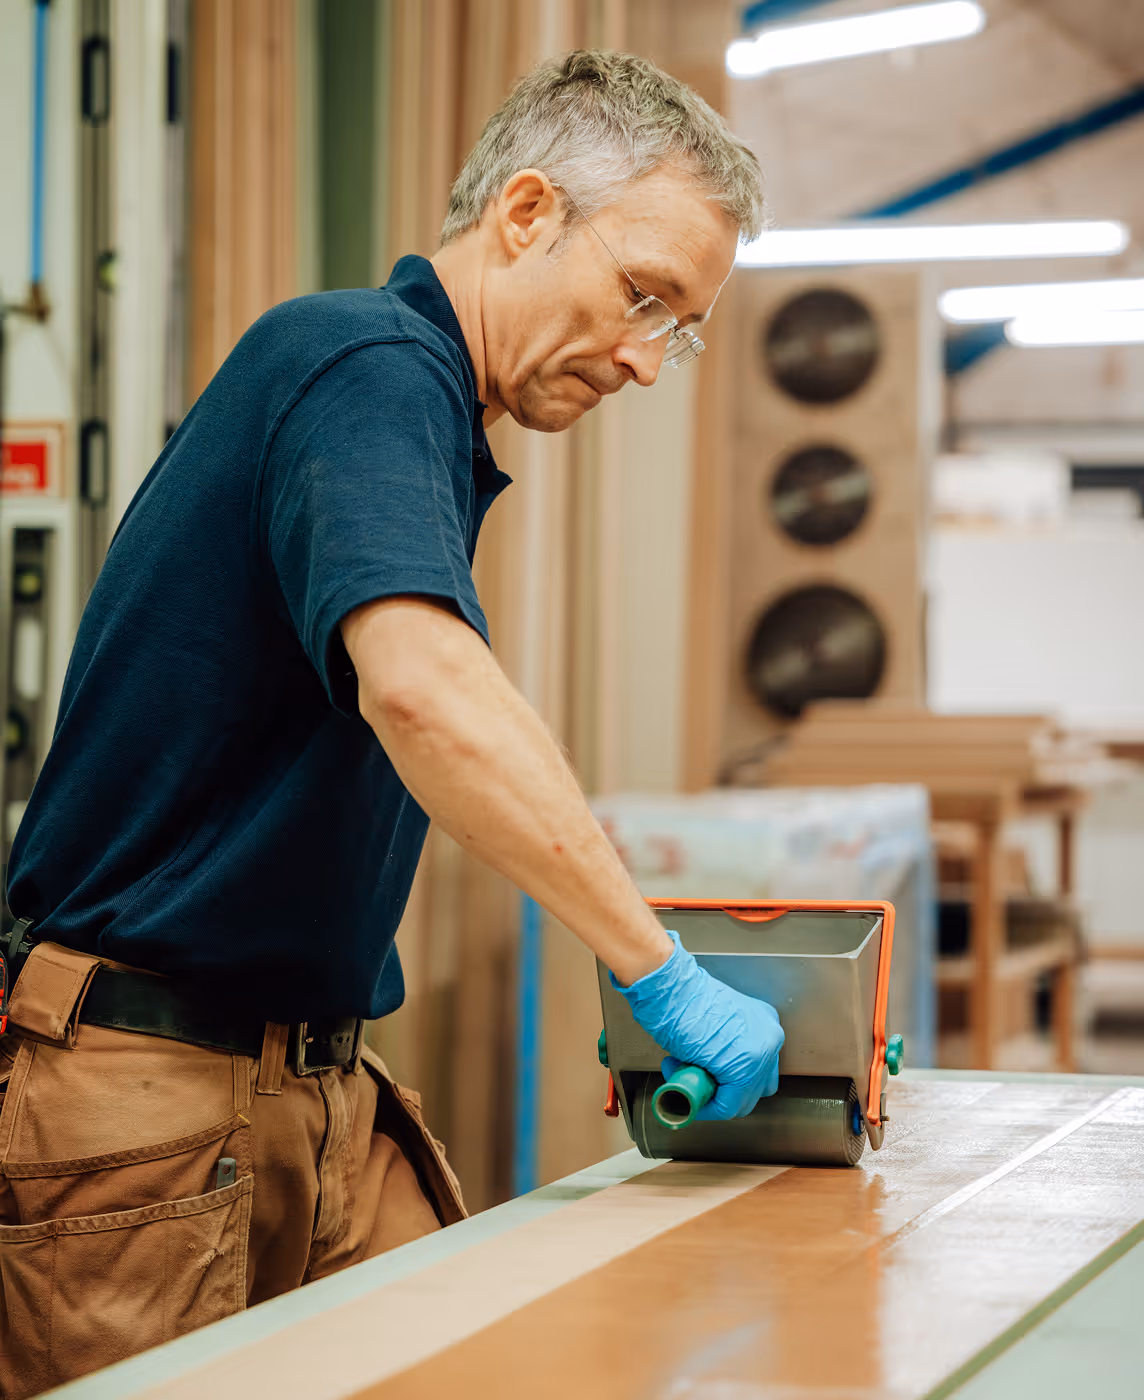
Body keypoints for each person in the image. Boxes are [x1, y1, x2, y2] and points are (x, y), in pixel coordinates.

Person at [0, 49, 784, 1396]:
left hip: (314, 1086)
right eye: (643, 297)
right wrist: (653, 969)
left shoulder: (416, 411)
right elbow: (424, 687)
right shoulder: (365, 357)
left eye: (683, 328)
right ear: (528, 213)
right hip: (148, 1096)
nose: (650, 361)